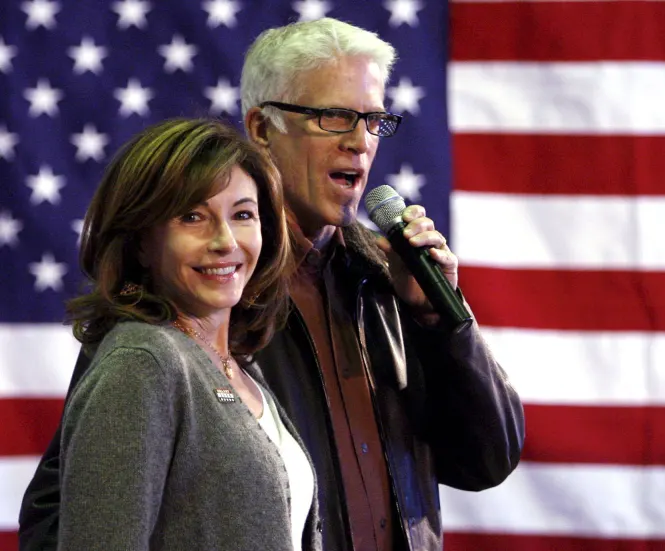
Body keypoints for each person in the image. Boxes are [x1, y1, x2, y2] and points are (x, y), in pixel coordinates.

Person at [19, 18, 525, 551]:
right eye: (335, 117)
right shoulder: (199, 293)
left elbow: (485, 461)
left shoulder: (391, 278)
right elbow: (67, 515)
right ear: (261, 128)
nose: (359, 142)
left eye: (373, 121)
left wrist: (439, 321)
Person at [49, 118, 320, 551]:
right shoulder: (143, 364)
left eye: (243, 214)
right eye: (192, 216)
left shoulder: (238, 367)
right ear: (140, 241)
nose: (225, 241)